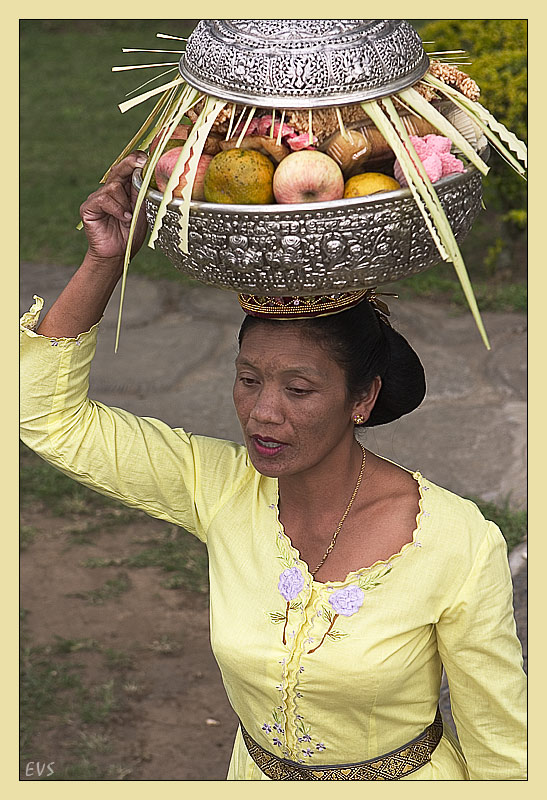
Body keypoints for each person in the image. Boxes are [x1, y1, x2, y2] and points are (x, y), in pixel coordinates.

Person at [20, 152, 527, 781]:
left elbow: (506, 756)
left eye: (299, 389)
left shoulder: (460, 542)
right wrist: (103, 261)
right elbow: (45, 417)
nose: (264, 413)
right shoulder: (218, 488)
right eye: (249, 380)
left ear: (361, 398)